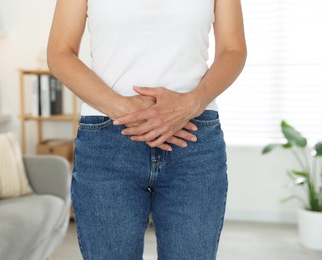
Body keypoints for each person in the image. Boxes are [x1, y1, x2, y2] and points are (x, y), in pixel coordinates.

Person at [47, 0, 246, 259]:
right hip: (108, 141)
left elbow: (233, 49)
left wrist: (193, 101)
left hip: (192, 139)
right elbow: (60, 52)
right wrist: (119, 106)